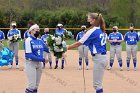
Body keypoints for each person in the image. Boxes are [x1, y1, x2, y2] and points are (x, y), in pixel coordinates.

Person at [67, 13, 107, 93]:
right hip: (103, 57)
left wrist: (66, 48)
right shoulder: (101, 30)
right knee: (98, 83)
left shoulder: (92, 31)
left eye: (89, 18)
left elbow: (79, 43)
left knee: (97, 85)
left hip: (99, 58)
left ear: (94, 20)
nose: (87, 20)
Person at [24, 24, 49, 93]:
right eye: (36, 30)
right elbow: (29, 55)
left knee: (36, 86)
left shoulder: (40, 40)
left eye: (39, 30)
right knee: (31, 85)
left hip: (39, 64)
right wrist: (43, 60)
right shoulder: (28, 40)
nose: (38, 31)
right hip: (30, 63)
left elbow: (47, 49)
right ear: (31, 31)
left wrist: (58, 48)